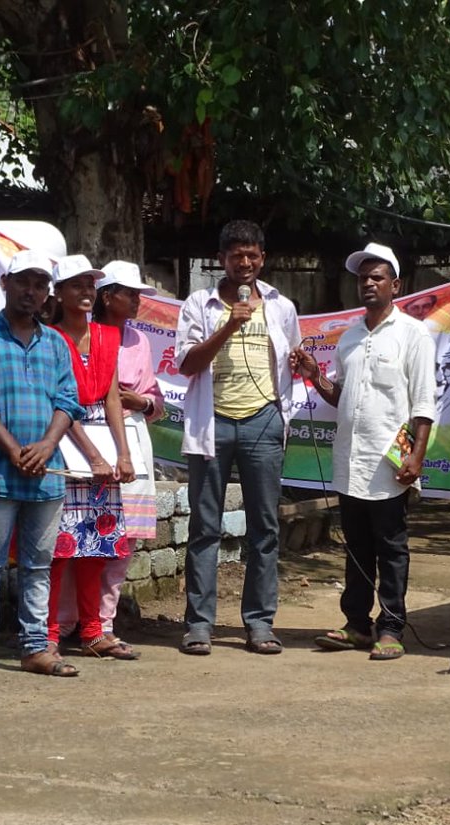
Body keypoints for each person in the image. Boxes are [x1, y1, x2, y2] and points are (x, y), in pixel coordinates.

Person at [289, 242, 435, 660]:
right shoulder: (350, 337)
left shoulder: (414, 334)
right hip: (350, 459)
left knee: (391, 547)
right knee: (355, 545)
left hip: (389, 462)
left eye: (377, 277)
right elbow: (342, 395)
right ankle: (356, 624)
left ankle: (391, 628)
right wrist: (316, 376)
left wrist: (417, 456)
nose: (368, 284)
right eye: (362, 278)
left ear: (396, 284)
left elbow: (424, 403)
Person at [0, 248, 84, 681]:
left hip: (47, 474)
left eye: (41, 284)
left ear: (48, 292)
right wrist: (12, 450)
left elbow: (68, 401)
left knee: (38, 565)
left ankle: (34, 647)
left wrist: (46, 445)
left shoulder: (57, 343)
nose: (32, 291)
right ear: (5, 283)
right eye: (24, 281)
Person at [174, 220, 300, 655]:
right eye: (235, 255)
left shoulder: (282, 306)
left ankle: (260, 624)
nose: (244, 263)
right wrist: (228, 325)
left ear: (262, 258)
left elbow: (291, 361)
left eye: (252, 255)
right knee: (205, 527)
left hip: (263, 421)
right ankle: (200, 624)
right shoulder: (199, 304)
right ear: (221, 259)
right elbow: (187, 365)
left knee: (264, 527)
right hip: (213, 422)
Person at [52, 261, 164, 651]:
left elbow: (148, 400)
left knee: (116, 538)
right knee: (68, 538)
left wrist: (143, 403)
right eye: (129, 293)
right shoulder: (60, 337)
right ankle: (64, 623)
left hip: (126, 440)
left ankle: (101, 622)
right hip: (72, 437)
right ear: (107, 295)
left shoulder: (134, 341)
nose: (136, 301)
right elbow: (66, 398)